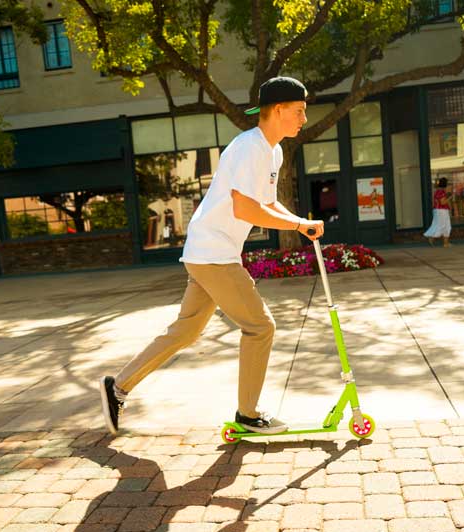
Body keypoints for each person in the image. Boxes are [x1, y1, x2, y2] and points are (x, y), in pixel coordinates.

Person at [100, 76, 324, 436]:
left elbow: (266, 202)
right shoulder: (247, 147)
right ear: (278, 110)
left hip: (211, 250)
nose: (303, 119)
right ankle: (248, 415)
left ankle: (117, 387)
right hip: (214, 252)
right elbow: (244, 208)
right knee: (260, 327)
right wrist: (297, 226)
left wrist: (299, 222)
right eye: (299, 111)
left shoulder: (273, 150)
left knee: (185, 331)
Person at [424, 177, 452, 247]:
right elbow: (442, 202)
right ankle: (432, 238)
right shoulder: (441, 192)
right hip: (442, 211)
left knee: (441, 225)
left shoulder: (437, 191)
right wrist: (450, 197)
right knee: (444, 226)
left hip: (437, 210)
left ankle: (446, 243)